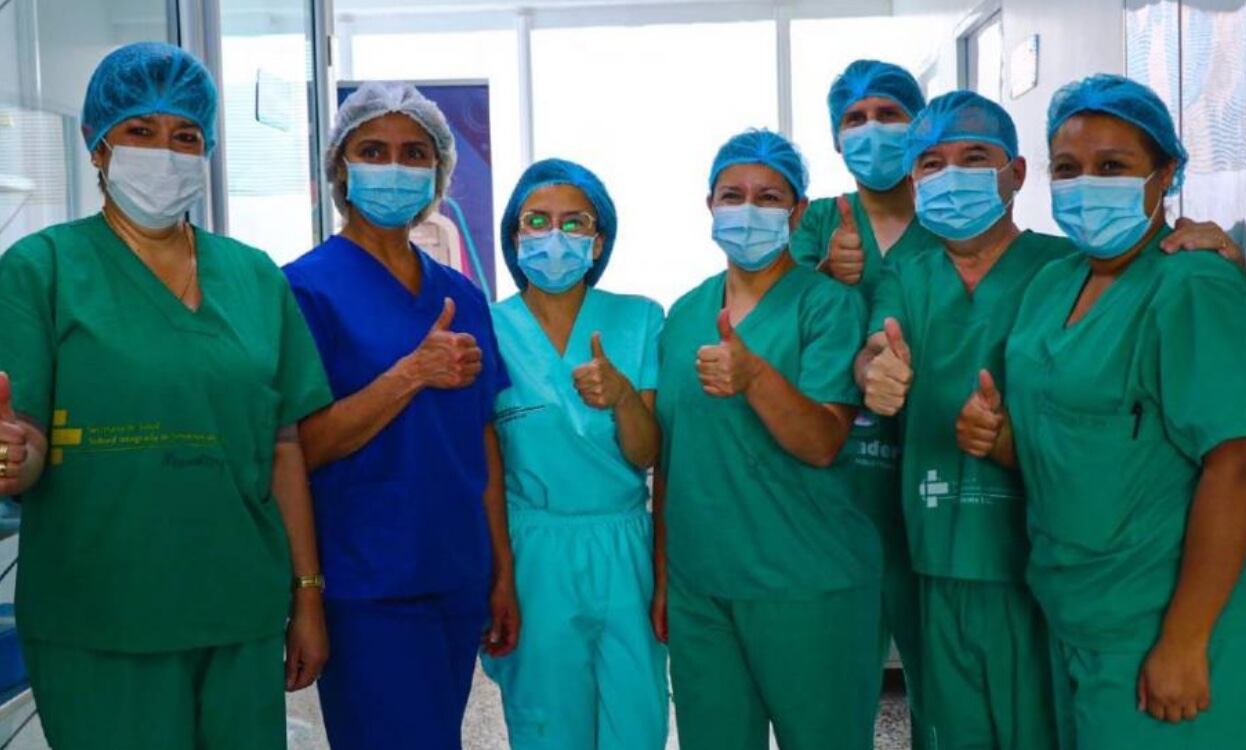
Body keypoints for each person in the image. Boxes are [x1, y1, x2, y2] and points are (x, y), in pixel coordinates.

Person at [0, 42, 331, 750]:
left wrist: (306, 595)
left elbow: (283, 447)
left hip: (239, 604)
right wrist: (12, 455)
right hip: (101, 613)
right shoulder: (42, 269)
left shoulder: (253, 278)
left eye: (185, 136)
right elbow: (23, 445)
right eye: (140, 132)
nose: (166, 152)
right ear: (98, 146)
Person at [978, 73, 1246, 750]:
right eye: (1068, 168)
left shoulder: (1194, 286)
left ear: (1165, 174)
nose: (1087, 184)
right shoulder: (1053, 284)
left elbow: (1238, 465)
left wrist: (1184, 640)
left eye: (1113, 167)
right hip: (1079, 616)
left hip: (1171, 633)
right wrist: (996, 436)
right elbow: (1068, 446)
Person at [283, 81, 518, 750]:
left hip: (456, 572)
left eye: (415, 153)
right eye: (373, 150)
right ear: (339, 168)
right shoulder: (304, 288)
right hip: (366, 582)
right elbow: (301, 447)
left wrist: (500, 567)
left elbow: (482, 439)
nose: (395, 167)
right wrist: (410, 374)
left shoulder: (462, 297)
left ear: (439, 172)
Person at [656, 129, 882, 750]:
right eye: (733, 195)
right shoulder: (682, 314)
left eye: (769, 196)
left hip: (807, 584)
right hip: (703, 587)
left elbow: (823, 442)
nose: (748, 210)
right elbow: (672, 461)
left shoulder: (826, 306)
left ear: (798, 212)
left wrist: (754, 374)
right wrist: (665, 579)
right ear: (709, 206)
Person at [857, 90, 1069, 749]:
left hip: (1041, 560)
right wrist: (876, 374)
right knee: (950, 732)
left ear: (1018, 174)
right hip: (940, 554)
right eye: (930, 163)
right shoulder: (910, 275)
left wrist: (1198, 238)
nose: (950, 177)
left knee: (1042, 728)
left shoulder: (1066, 266)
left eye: (974, 158)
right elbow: (875, 348)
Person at [480, 158, 669, 749]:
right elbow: (483, 467)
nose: (554, 236)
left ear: (599, 238)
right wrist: (500, 576)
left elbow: (645, 455)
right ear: (515, 236)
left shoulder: (638, 318)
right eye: (537, 220)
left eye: (575, 222)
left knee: (634, 721)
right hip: (534, 549)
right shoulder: (488, 328)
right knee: (546, 724)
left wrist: (621, 398)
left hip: (623, 542)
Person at [788, 59, 931, 747]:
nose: (873, 130)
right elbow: (765, 328)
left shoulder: (955, 221)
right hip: (840, 480)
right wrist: (818, 278)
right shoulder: (815, 224)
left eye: (889, 114)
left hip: (937, 474)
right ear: (836, 138)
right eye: (855, 118)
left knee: (947, 681)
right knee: (834, 685)